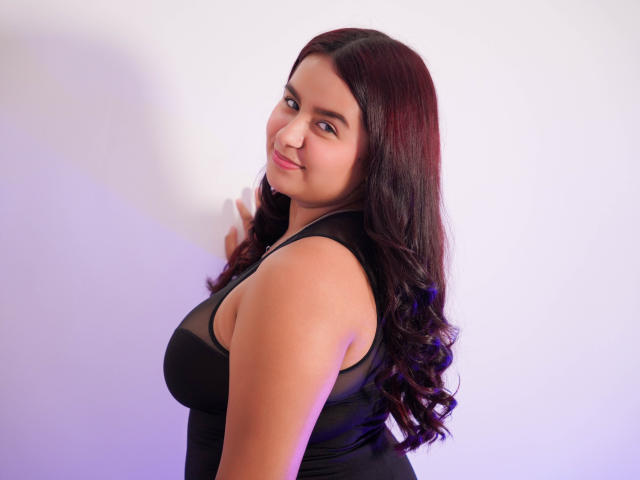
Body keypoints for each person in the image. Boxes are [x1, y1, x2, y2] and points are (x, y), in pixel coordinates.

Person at [164, 27, 458, 479]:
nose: (288, 135)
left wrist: (276, 278)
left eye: (326, 126)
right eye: (291, 102)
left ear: (378, 158)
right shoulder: (344, 248)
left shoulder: (306, 276)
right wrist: (252, 275)